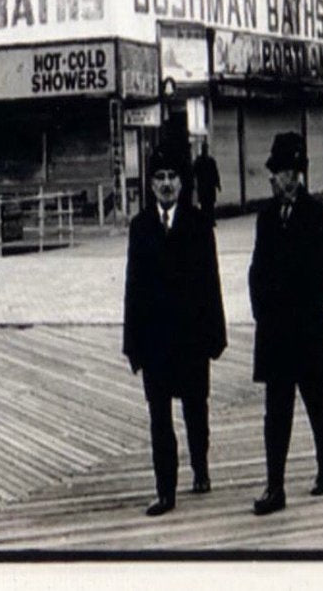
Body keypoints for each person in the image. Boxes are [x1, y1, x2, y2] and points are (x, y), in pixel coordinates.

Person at [123, 141, 227, 517]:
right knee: (159, 417)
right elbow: (132, 287)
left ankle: (200, 468)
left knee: (196, 410)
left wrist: (216, 335)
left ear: (183, 184)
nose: (166, 184)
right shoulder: (140, 228)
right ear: (150, 185)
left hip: (192, 337)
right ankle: (165, 490)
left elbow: (211, 282)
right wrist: (131, 344)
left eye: (172, 177)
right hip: (154, 342)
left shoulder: (199, 225)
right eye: (160, 178)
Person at [248, 132, 323, 516]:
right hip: (273, 333)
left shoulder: (320, 216)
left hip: (306, 331)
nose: (275, 178)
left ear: (297, 174)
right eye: (274, 171)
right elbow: (256, 272)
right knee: (276, 411)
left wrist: (309, 311)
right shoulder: (266, 217)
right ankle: (275, 486)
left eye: (283, 171)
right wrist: (262, 313)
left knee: (316, 402)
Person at [193, 139, 222, 225]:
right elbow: (193, 172)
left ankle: (209, 220)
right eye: (204, 148)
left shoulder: (208, 161)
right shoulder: (202, 161)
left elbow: (215, 173)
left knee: (208, 205)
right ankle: (207, 220)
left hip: (207, 187)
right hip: (205, 187)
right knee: (206, 205)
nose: (205, 150)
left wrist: (218, 184)